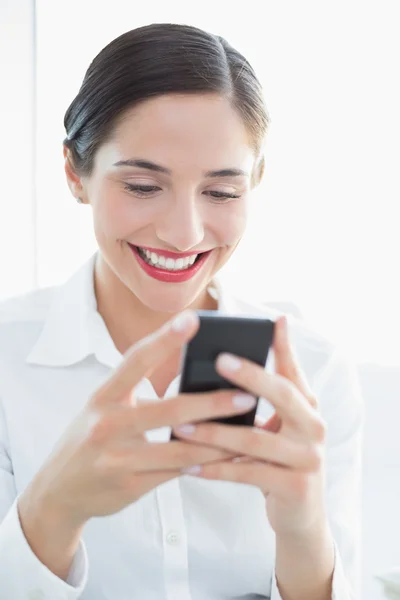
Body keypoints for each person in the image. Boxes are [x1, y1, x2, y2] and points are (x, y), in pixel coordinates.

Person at [0, 23, 363, 600]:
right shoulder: (7, 363)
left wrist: (303, 531)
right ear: (76, 173)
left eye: (221, 193)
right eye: (143, 186)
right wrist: (55, 506)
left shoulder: (315, 373)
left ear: (256, 183)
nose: (183, 233)